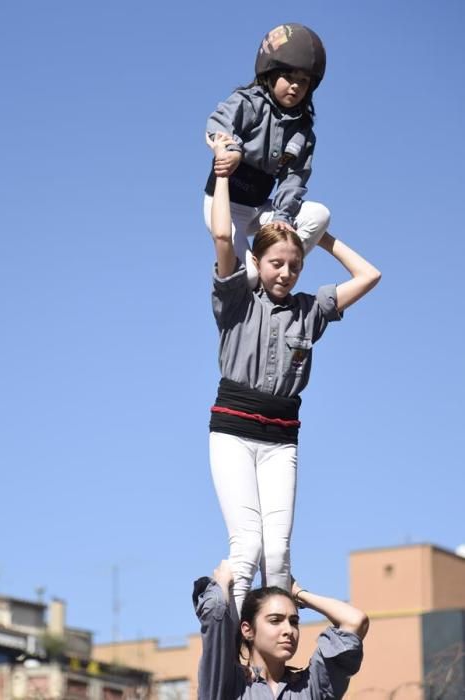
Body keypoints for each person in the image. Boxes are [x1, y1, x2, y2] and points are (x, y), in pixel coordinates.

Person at [207, 133, 381, 619]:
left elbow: (369, 276)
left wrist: (318, 238)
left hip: (282, 439)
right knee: (247, 546)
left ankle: (276, 651)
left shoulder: (310, 310)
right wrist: (223, 176)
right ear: (258, 263)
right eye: (276, 264)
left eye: (294, 265)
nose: (285, 273)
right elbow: (224, 237)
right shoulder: (237, 298)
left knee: (279, 554)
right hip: (233, 432)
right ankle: (237, 648)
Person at [204, 22, 331, 287]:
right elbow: (217, 125)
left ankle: (271, 268)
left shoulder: (303, 131)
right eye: (289, 77)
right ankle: (252, 279)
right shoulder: (248, 102)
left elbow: (293, 179)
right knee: (247, 276)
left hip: (261, 209)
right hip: (226, 208)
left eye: (304, 81)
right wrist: (232, 150)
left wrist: (283, 218)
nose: (296, 86)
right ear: (270, 73)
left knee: (319, 214)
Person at [193, 559, 369, 699]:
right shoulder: (228, 685)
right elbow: (216, 613)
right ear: (247, 630)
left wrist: (299, 594)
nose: (289, 630)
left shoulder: (310, 688)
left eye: (293, 621)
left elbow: (355, 621)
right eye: (275, 620)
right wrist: (223, 583)